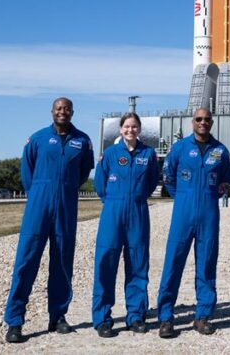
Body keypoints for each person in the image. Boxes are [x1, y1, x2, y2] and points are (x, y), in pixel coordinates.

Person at [3, 97, 95, 344]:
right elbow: (27, 170)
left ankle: (58, 316)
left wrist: (66, 188)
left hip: (66, 205)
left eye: (66, 108)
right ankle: (15, 321)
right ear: (52, 112)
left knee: (63, 262)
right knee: (26, 262)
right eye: (58, 108)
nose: (62, 112)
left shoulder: (83, 141)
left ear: (72, 112)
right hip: (38, 205)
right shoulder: (37, 138)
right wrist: (38, 195)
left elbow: (84, 171)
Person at [155, 108, 230, 338]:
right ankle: (166, 317)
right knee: (173, 263)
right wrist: (183, 198)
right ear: (193, 122)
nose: (203, 123)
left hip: (208, 214)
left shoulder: (220, 151)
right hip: (183, 213)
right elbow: (168, 176)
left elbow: (226, 179)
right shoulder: (180, 148)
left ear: (212, 122)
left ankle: (202, 316)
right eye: (199, 119)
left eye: (207, 119)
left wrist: (212, 195)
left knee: (207, 264)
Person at [91, 113, 161, 337]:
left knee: (138, 264)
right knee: (105, 263)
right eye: (127, 126)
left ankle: (136, 315)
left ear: (139, 130)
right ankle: (102, 318)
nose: (130, 130)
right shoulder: (110, 154)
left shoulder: (148, 154)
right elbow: (100, 184)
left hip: (138, 212)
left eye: (134, 127)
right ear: (121, 130)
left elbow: (151, 182)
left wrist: (136, 198)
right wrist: (113, 201)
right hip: (112, 211)